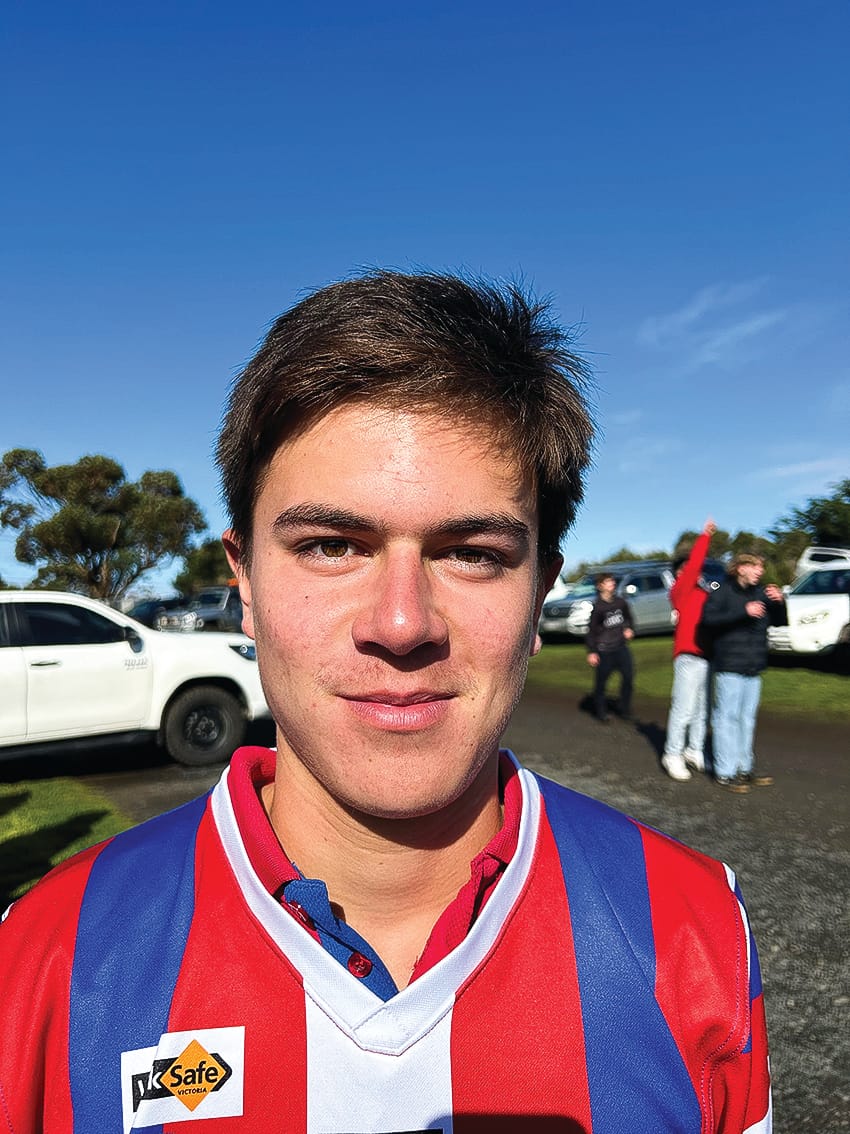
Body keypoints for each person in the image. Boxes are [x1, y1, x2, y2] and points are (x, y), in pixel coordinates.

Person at [0, 271, 771, 1132]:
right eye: (332, 545)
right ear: (244, 581)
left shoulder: (696, 928)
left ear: (539, 595)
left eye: (473, 553)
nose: (402, 625)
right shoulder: (42, 956)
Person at [700, 552, 787, 794]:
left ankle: (744, 768)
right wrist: (743, 611)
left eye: (761, 567)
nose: (760, 571)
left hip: (754, 665)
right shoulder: (721, 592)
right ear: (740, 568)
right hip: (729, 665)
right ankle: (725, 772)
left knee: (747, 719)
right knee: (726, 718)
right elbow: (708, 621)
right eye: (755, 567)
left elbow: (780, 621)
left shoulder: (761, 592)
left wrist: (780, 602)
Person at [661, 518, 717, 781]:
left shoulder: (703, 593)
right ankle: (672, 753)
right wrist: (705, 536)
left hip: (706, 655)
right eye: (685, 570)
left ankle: (694, 749)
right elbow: (694, 565)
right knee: (683, 708)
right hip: (687, 655)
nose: (693, 572)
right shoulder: (680, 590)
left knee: (702, 709)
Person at [585, 571, 635, 723]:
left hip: (620, 647)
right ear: (600, 586)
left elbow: (629, 619)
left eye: (613, 581)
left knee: (628, 677)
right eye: (608, 582)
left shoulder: (620, 602)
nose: (612, 584)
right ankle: (601, 712)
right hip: (604, 650)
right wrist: (592, 652)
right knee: (601, 683)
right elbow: (591, 631)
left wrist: (628, 628)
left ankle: (624, 709)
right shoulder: (598, 607)